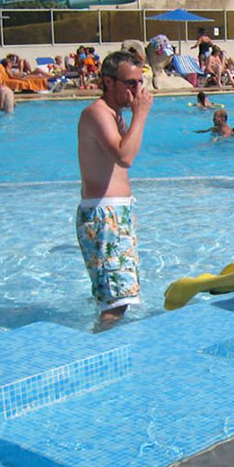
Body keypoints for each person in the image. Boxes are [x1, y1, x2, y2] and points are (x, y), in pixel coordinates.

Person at [75, 50, 153, 326]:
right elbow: (125, 157)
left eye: (139, 82)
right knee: (117, 305)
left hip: (115, 216)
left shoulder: (114, 115)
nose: (137, 89)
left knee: (119, 296)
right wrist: (140, 115)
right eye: (130, 83)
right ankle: (100, 355)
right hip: (104, 217)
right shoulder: (97, 114)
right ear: (108, 82)